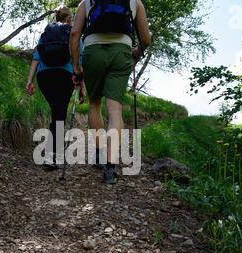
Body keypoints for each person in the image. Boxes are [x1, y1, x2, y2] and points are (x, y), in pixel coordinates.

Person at [70, 0, 151, 184]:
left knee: (94, 103)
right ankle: (111, 166)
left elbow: (74, 33)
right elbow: (146, 39)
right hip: (121, 51)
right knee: (115, 110)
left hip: (93, 51)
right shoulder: (134, 2)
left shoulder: (87, 2)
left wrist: (76, 67)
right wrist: (136, 53)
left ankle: (99, 153)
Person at [27, 5, 85, 171]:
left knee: (57, 112)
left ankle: (53, 152)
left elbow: (36, 57)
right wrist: (82, 87)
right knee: (59, 114)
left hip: (44, 76)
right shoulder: (73, 34)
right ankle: (51, 156)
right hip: (64, 75)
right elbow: (79, 62)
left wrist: (29, 80)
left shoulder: (45, 34)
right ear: (68, 19)